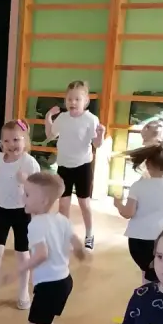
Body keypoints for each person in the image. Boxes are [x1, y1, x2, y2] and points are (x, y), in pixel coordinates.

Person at [18, 172, 85, 324]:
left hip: (49, 285)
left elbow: (41, 254)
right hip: (64, 281)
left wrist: (20, 269)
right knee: (45, 322)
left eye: (28, 194)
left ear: (43, 200)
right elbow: (76, 242)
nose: (23, 197)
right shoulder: (61, 219)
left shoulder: (36, 224)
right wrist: (81, 253)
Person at [0, 118, 40, 308]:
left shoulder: (29, 163)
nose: (11, 144)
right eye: (6, 141)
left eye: (16, 140)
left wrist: (26, 181)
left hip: (23, 213)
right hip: (2, 211)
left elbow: (38, 189)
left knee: (22, 254)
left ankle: (23, 291)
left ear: (25, 141)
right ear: (1, 144)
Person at [112, 144, 163, 282]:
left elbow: (128, 213)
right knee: (159, 273)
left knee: (147, 271)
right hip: (162, 240)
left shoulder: (137, 186)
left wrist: (118, 204)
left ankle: (146, 292)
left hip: (137, 242)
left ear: (147, 164)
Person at [44, 81, 106, 249]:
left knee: (84, 203)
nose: (72, 102)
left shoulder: (91, 119)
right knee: (63, 204)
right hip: (64, 167)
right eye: (69, 99)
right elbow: (50, 135)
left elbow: (97, 144)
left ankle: (89, 234)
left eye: (77, 99)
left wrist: (101, 135)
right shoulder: (63, 118)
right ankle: (64, 236)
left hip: (83, 167)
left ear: (85, 101)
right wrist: (48, 117)